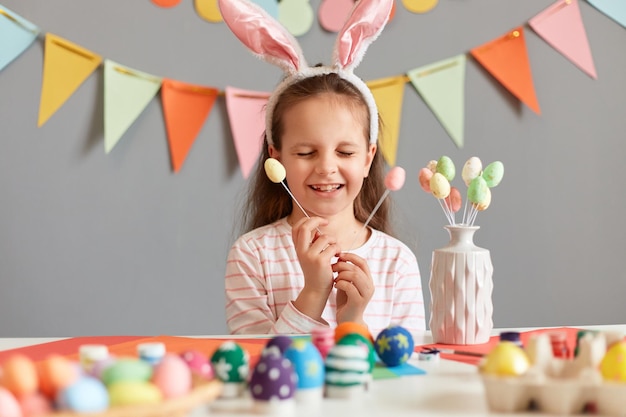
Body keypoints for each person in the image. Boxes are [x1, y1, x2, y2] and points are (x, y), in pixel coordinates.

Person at [219, 0, 425, 337]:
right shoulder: (252, 255)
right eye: (305, 152)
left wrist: (353, 321)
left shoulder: (396, 262)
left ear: (368, 159)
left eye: (345, 152)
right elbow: (259, 365)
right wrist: (313, 293)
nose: (327, 167)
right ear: (277, 158)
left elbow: (408, 368)